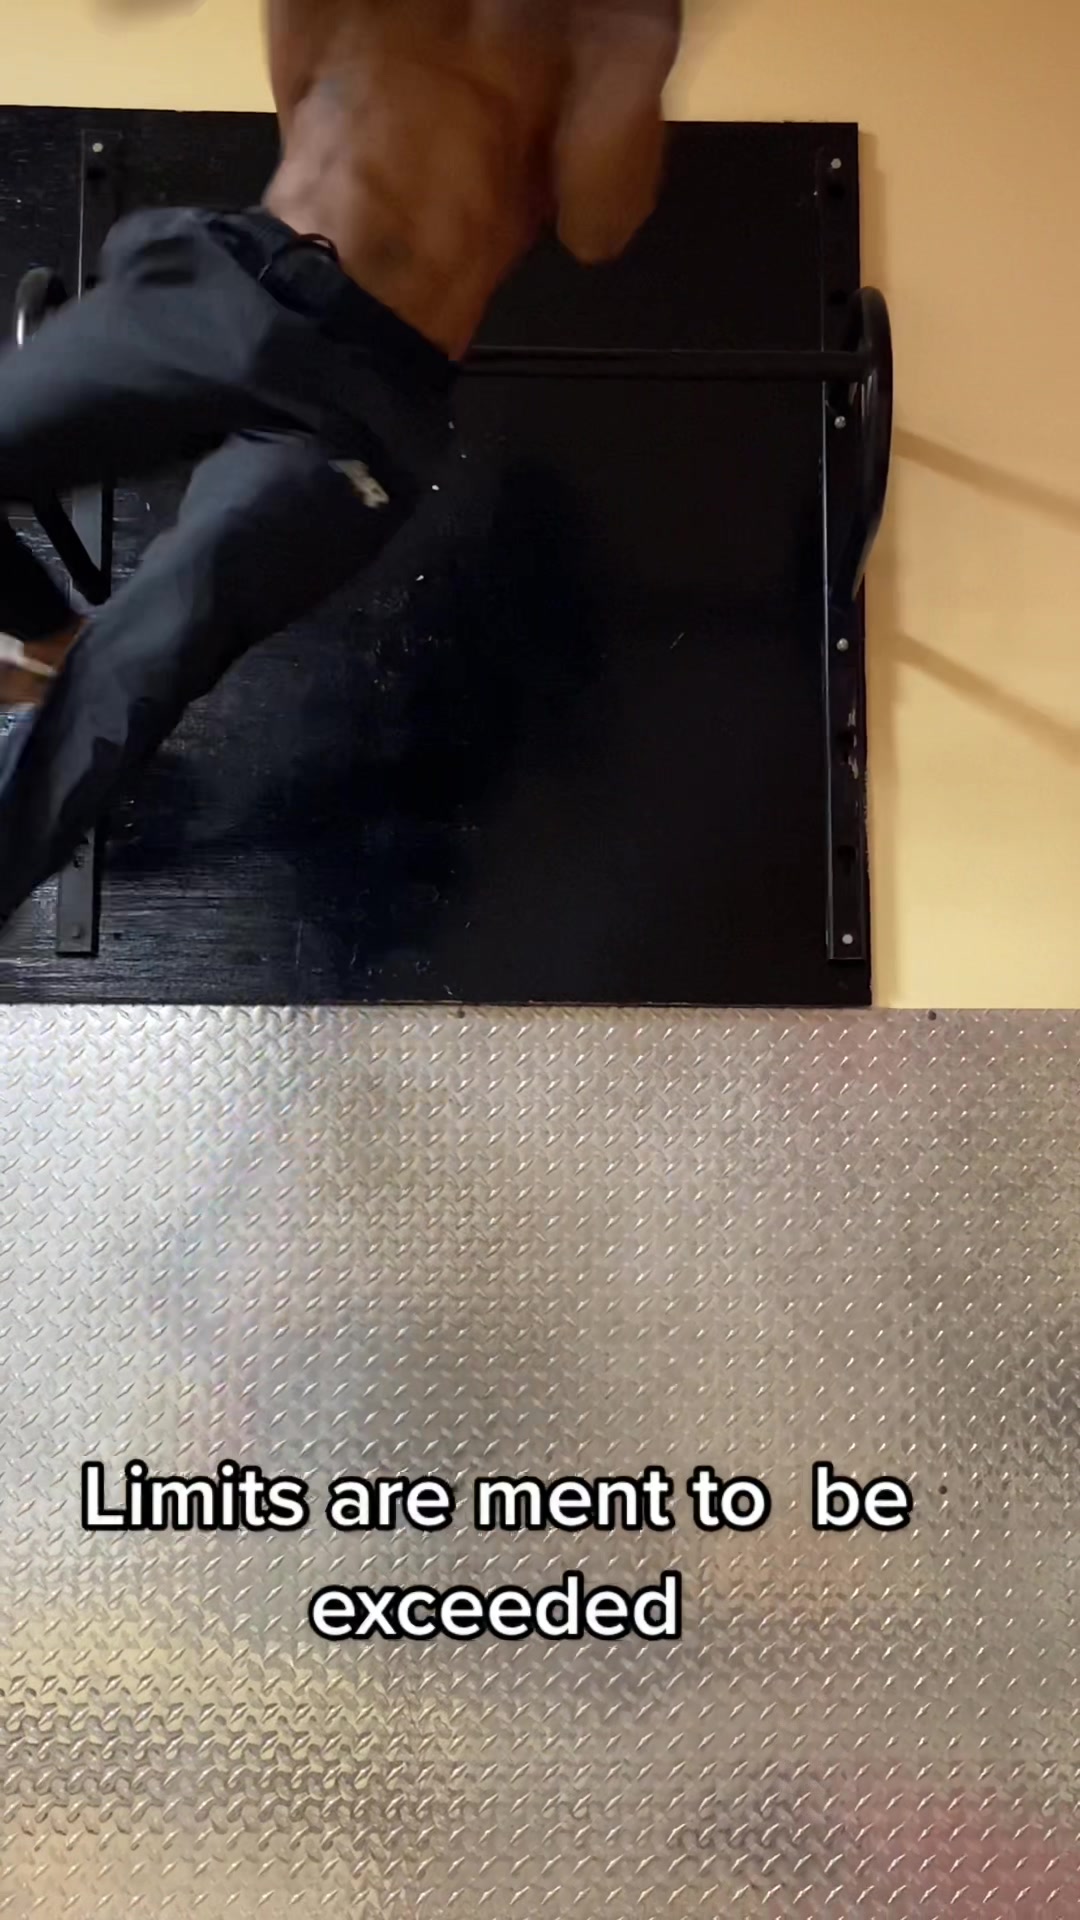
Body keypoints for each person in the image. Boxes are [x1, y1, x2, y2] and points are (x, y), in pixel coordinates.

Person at [0, 0, 682, 930]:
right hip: (231, 277)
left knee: (153, 649)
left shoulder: (592, 23)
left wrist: (641, 38)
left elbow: (599, 227)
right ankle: (46, 631)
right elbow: (297, 99)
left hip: (365, 392)